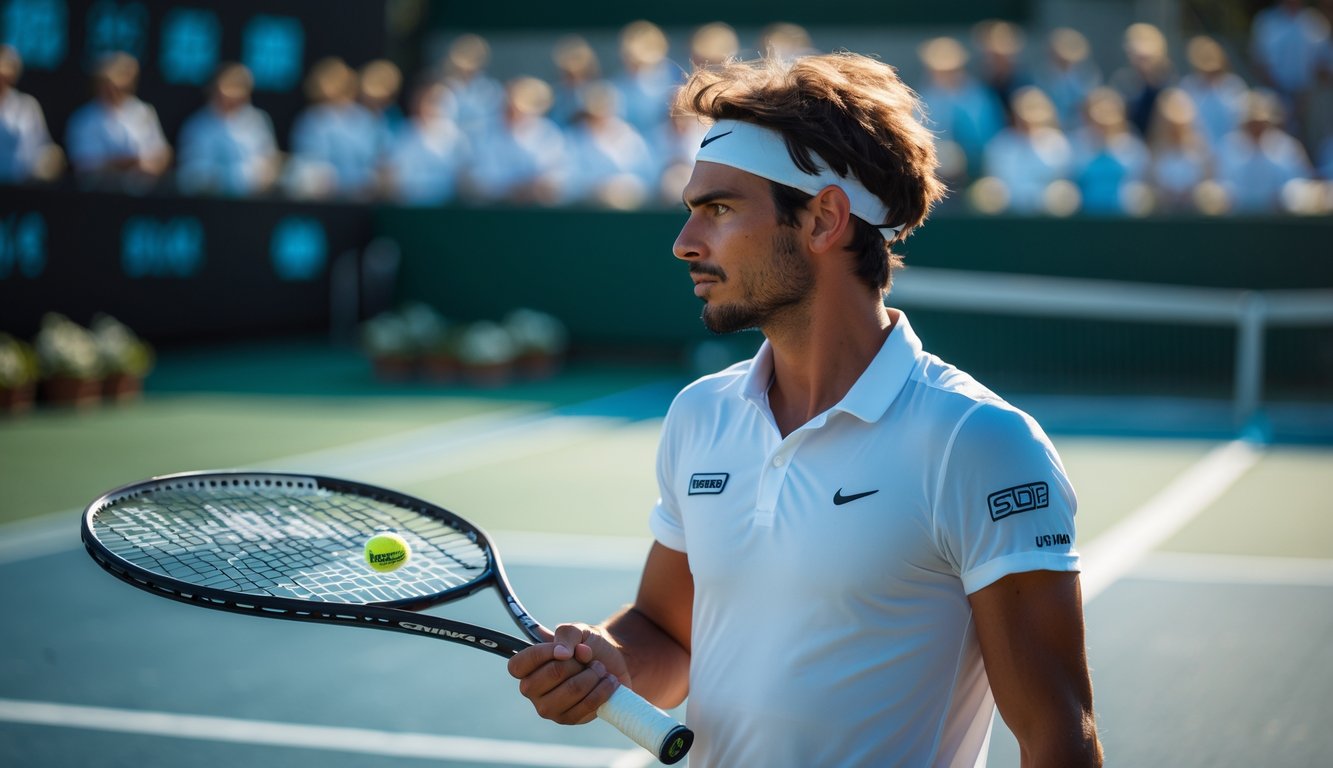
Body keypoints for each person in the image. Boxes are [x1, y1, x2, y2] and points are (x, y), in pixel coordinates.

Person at [508, 52, 1103, 767]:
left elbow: (1058, 739)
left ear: (823, 220)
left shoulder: (979, 443)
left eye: (719, 209)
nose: (684, 243)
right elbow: (669, 637)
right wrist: (610, 661)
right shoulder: (700, 414)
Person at [65, 51, 171, 189]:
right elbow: (86, 165)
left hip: (142, 192)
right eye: (108, 83)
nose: (114, 89)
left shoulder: (144, 111)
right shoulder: (83, 119)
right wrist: (131, 163)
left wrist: (151, 164)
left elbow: (161, 155)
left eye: (121, 81)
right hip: (97, 194)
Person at [175, 62, 279, 196]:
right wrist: (222, 179)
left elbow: (268, 165)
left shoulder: (258, 120)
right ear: (214, 90)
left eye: (238, 88)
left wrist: (248, 178)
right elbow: (191, 174)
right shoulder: (196, 124)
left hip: (251, 201)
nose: (231, 96)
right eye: (228, 88)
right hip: (204, 202)